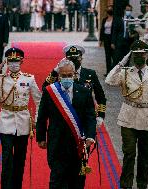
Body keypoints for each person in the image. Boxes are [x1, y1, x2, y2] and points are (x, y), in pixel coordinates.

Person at [105, 40, 148, 189]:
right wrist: (121, 62)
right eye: (136, 55)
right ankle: (126, 185)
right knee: (129, 154)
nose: (139, 57)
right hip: (128, 117)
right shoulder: (125, 72)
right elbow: (109, 80)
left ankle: (142, 185)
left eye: (142, 54)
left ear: (147, 55)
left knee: (145, 156)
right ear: (132, 56)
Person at [0, 47, 41, 189]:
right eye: (10, 61)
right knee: (6, 158)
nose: (13, 64)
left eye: (16, 61)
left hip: (23, 122)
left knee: (20, 158)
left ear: (21, 62)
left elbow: (39, 101)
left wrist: (36, 120)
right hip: (6, 121)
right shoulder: (1, 79)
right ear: (6, 62)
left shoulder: (29, 79)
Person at [36, 58, 96, 189]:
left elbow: (90, 117)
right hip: (57, 144)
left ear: (74, 75)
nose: (67, 78)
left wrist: (91, 136)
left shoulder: (84, 92)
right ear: (58, 76)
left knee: (77, 181)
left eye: (70, 75)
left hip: (78, 144)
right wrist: (40, 137)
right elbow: (42, 116)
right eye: (64, 76)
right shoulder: (50, 92)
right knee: (57, 180)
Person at [43, 44, 107, 125]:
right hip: (65, 117)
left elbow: (101, 97)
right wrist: (54, 72)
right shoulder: (60, 74)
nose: (74, 61)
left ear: (81, 58)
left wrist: (100, 116)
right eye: (71, 59)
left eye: (76, 58)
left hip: (85, 118)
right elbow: (45, 88)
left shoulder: (90, 74)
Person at [99, 5, 114, 76]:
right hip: (106, 38)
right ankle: (108, 71)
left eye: (110, 9)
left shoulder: (115, 20)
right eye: (108, 9)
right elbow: (102, 29)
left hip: (112, 38)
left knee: (114, 56)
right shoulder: (104, 19)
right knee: (107, 56)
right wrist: (101, 40)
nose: (109, 10)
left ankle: (114, 71)